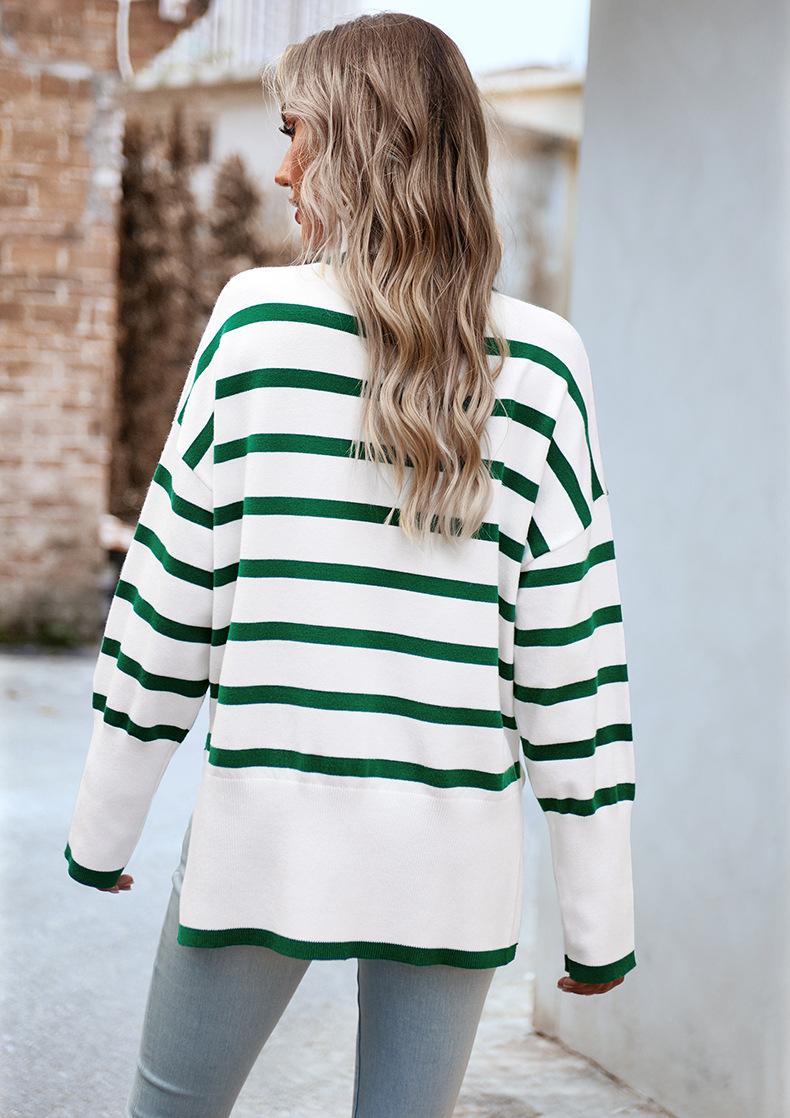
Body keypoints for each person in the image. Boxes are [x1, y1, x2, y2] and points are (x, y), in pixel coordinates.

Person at [63, 12, 637, 1118]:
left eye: (298, 133)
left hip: (264, 838)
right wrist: (597, 918)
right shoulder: (545, 367)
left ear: (365, 144)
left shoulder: (253, 328)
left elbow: (167, 602)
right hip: (451, 865)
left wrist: (105, 824)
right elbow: (574, 667)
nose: (280, 168)